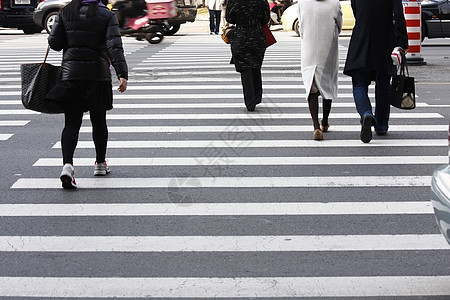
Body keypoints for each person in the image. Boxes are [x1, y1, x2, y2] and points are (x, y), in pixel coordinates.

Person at [48, 0, 128, 189]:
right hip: (98, 76)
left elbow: (55, 44)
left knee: (71, 123)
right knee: (99, 120)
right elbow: (114, 46)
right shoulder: (106, 15)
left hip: (71, 76)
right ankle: (100, 163)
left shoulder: (66, 12)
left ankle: (67, 165)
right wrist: (122, 73)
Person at [343, 0, 408, 143]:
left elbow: (356, 11)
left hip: (361, 37)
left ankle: (366, 113)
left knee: (359, 84)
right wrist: (402, 42)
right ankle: (381, 125)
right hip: (384, 38)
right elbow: (398, 14)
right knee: (383, 84)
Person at [298, 0, 342, 140]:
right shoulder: (334, 3)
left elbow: (301, 27)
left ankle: (316, 126)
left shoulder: (303, 3)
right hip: (327, 48)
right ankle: (325, 121)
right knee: (326, 85)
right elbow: (339, 26)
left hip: (309, 48)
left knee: (312, 87)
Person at [225, 0, 270, 111]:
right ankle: (256, 97)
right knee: (256, 66)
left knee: (245, 69)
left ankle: (250, 102)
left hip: (240, 37)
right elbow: (265, 19)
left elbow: (229, 18)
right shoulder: (262, 1)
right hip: (257, 36)